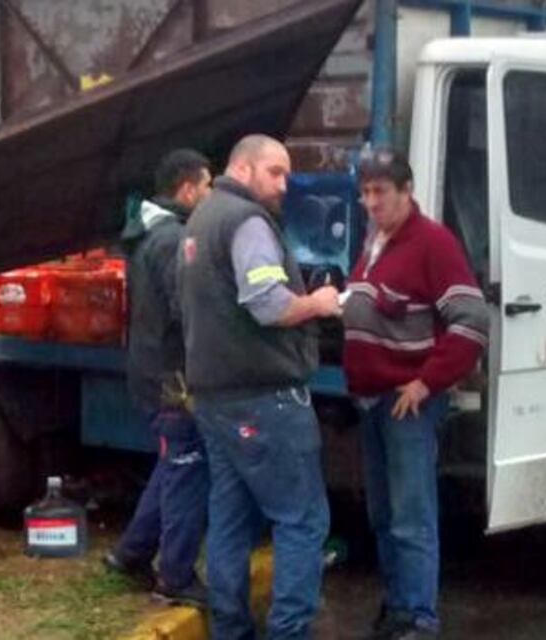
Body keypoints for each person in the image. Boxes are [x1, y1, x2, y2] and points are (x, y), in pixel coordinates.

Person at [179, 134, 342, 639]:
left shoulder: (201, 219)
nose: (284, 184)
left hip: (215, 398)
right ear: (243, 169)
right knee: (302, 521)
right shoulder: (246, 222)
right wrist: (318, 303)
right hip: (264, 398)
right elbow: (268, 303)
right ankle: (289, 632)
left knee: (229, 518)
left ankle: (230, 630)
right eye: (275, 172)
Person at [341, 147, 489, 639]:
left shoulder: (434, 244)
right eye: (364, 193)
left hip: (407, 403)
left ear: (407, 192)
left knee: (411, 515)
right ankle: (398, 607)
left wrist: (428, 381)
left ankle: (420, 619)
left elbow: (471, 321)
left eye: (380, 192)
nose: (370, 202)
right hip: (372, 400)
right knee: (383, 514)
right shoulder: (375, 240)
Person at [104, 148, 213, 607]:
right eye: (207, 187)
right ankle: (176, 577)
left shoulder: (152, 231)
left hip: (153, 371)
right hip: (173, 380)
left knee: (174, 463)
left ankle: (130, 554)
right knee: (188, 470)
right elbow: (184, 308)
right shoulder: (173, 240)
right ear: (187, 189)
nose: (210, 196)